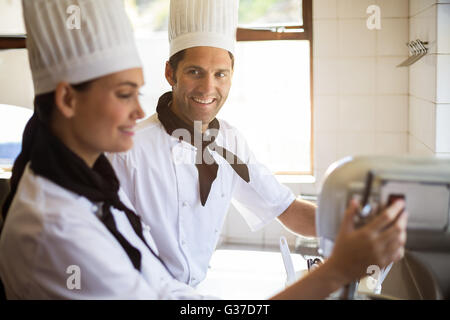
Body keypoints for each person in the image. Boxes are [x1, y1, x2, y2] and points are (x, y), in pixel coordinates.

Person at [107, 0, 408, 295]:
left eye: (220, 74)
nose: (208, 88)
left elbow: (286, 208)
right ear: (171, 73)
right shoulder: (129, 149)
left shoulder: (230, 140)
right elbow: (112, 252)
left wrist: (361, 227)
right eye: (195, 72)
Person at [0, 0, 204, 299]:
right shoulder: (55, 228)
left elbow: (160, 285)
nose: (138, 111)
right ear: (68, 99)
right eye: (124, 94)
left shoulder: (97, 183)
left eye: (138, 93)